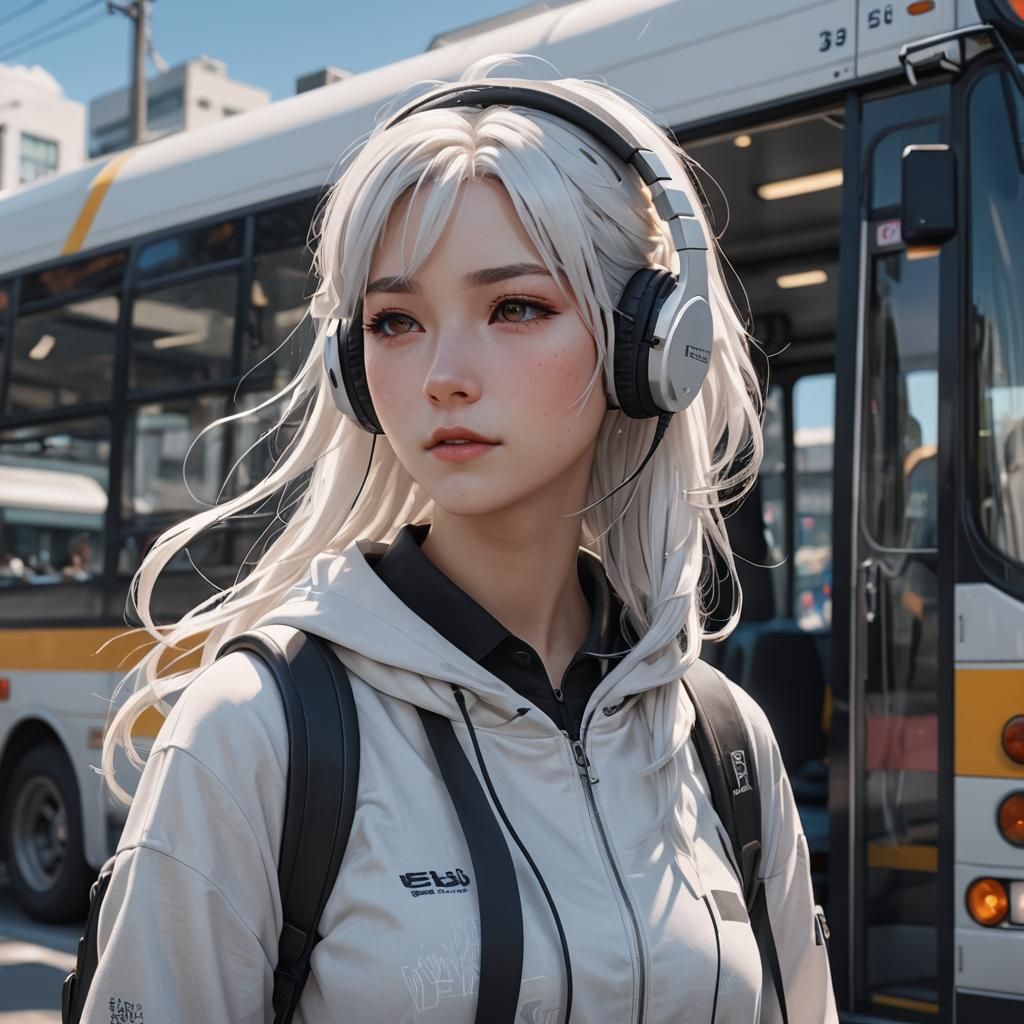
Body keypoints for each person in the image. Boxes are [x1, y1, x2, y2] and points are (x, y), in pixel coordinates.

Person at [86, 57, 838, 1023]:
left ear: (650, 343)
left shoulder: (722, 741)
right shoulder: (256, 730)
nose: (443, 374)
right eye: (395, 321)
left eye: (515, 307)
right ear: (354, 369)